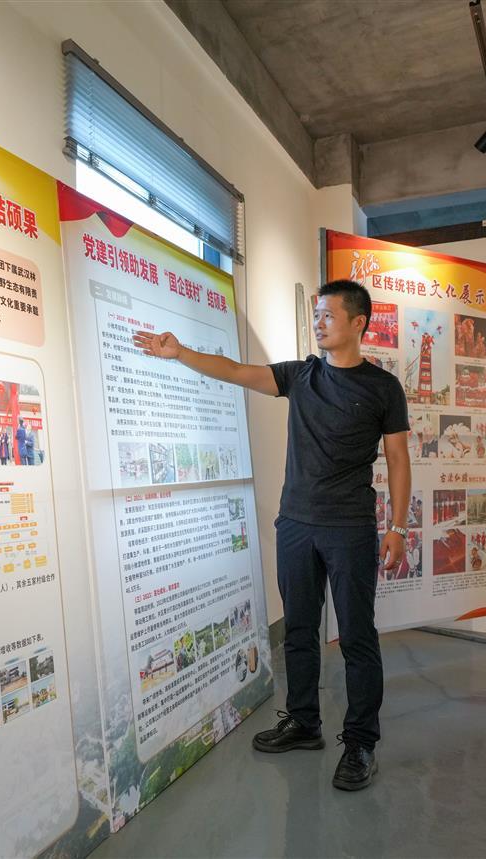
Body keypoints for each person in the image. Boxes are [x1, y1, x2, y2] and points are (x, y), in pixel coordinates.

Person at [133, 279, 411, 792]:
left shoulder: (383, 388)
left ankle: (361, 742)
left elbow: (397, 457)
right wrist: (180, 353)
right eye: (316, 314)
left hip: (350, 528)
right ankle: (304, 722)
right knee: (300, 631)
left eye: (329, 315)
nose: (319, 323)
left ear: (358, 323)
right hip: (296, 525)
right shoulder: (301, 376)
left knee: (356, 636)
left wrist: (397, 526)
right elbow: (237, 371)